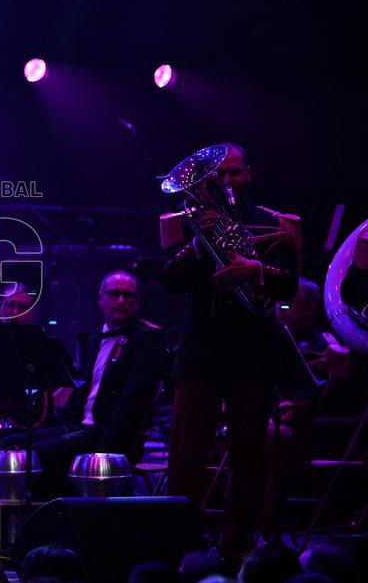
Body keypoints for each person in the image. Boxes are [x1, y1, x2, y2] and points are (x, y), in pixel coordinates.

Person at [161, 143, 300, 556]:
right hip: (201, 350)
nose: (227, 181)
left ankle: (238, 542)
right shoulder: (184, 223)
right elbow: (169, 278)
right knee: (187, 452)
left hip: (253, 350)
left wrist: (254, 269)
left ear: (249, 174)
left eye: (234, 172)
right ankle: (179, 542)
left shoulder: (271, 223)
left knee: (249, 454)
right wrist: (203, 243)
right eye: (218, 176)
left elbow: (291, 283)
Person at [6, 270, 168, 496]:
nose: (121, 300)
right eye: (114, 294)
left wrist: (105, 449)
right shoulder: (93, 340)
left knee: (30, 455)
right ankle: (11, 520)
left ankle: (44, 517)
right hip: (77, 427)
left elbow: (133, 403)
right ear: (100, 299)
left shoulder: (146, 339)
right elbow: (82, 392)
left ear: (137, 302)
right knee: (8, 445)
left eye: (128, 295)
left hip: (103, 434)